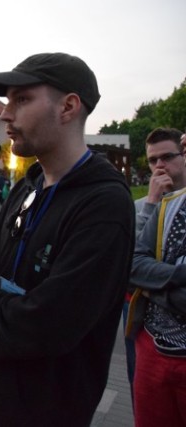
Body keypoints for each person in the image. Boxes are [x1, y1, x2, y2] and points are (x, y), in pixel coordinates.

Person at [0, 52, 135, 426]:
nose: (4, 114)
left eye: (22, 99)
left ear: (68, 107)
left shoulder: (104, 204)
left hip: (43, 412)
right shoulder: (27, 186)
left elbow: (44, 327)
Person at [122, 127, 186, 406]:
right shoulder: (139, 206)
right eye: (152, 160)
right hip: (144, 325)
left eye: (168, 156)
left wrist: (153, 284)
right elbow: (130, 265)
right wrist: (150, 203)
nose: (159, 165)